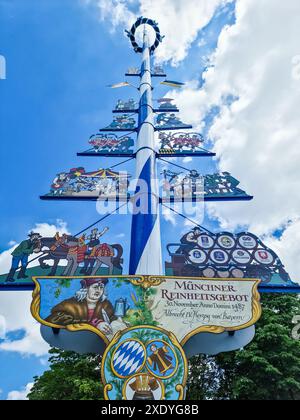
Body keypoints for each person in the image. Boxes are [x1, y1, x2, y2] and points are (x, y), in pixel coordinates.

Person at [46, 278, 116, 336]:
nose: (98, 290)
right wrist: (94, 324)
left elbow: (112, 318)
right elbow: (54, 319)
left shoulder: (106, 304)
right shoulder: (70, 303)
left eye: (101, 288)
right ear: (86, 289)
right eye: (95, 287)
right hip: (73, 339)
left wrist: (116, 323)